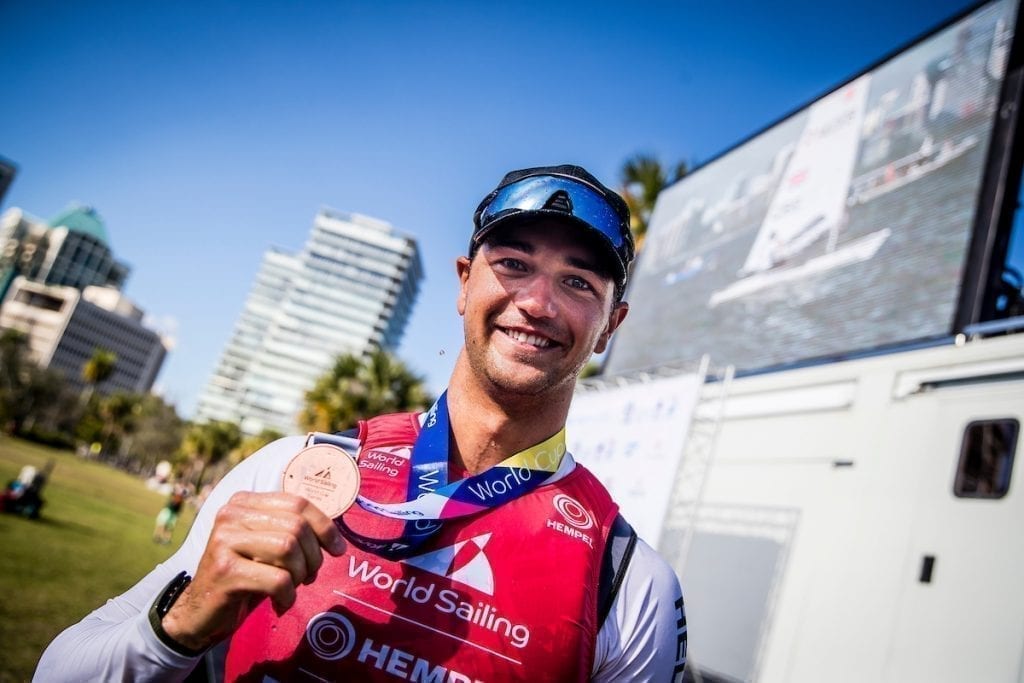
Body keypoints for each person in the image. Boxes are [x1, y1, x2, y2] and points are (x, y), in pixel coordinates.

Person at [35, 165, 687, 682]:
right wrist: (178, 626)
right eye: (513, 264)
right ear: (464, 283)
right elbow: (58, 672)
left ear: (611, 326)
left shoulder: (628, 580)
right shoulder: (298, 469)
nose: (538, 302)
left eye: (577, 282)